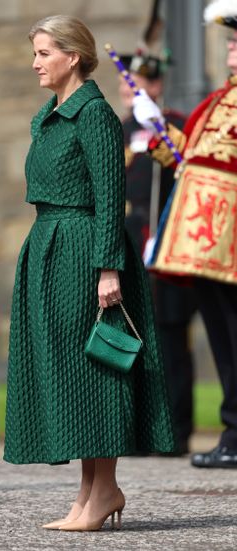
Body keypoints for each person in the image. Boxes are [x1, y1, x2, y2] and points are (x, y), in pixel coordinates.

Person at [3, 14, 174, 532]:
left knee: (95, 370)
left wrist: (107, 270)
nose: (35, 63)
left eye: (44, 53)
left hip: (84, 252)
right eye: (34, 53)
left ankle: (104, 492)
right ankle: (91, 491)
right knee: (72, 370)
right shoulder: (50, 114)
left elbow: (109, 200)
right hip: (51, 247)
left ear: (72, 56)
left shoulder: (94, 115)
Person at [132, 0, 237, 468]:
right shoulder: (217, 101)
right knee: (223, 340)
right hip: (202, 245)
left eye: (236, 42)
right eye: (231, 41)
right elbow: (189, 161)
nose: (231, 49)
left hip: (231, 243)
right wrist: (159, 133)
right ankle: (233, 431)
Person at [118, 52, 197, 455]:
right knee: (131, 337)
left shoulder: (174, 126)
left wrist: (159, 126)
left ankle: (176, 430)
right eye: (132, 82)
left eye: (145, 83)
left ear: (157, 85)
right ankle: (138, 430)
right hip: (130, 236)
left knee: (169, 337)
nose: (135, 90)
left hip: (166, 240)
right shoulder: (119, 128)